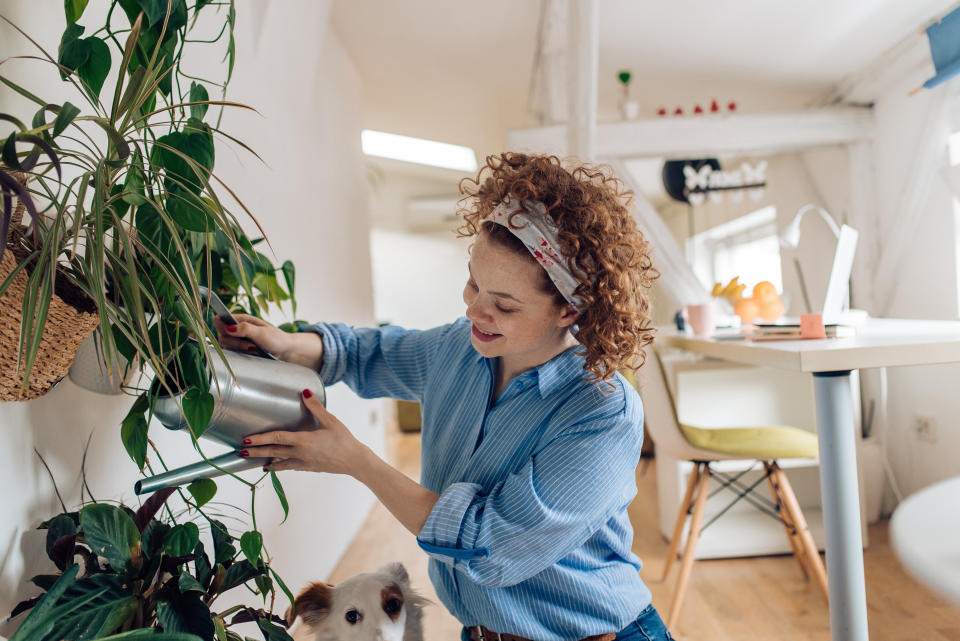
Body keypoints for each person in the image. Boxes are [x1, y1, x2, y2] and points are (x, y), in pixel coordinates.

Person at [217, 152, 671, 641]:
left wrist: (356, 460)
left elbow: (488, 545)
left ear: (568, 310)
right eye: (474, 283)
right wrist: (290, 345)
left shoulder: (601, 412)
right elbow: (371, 353)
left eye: (503, 304)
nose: (475, 310)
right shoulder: (460, 349)